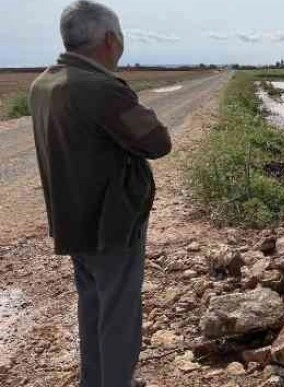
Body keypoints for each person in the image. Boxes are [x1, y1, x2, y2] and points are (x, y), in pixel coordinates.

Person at [29, 1, 171, 386]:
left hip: (72, 219)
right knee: (119, 316)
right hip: (111, 224)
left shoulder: (44, 83)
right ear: (110, 40)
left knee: (92, 308)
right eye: (121, 36)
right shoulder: (102, 89)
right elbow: (157, 142)